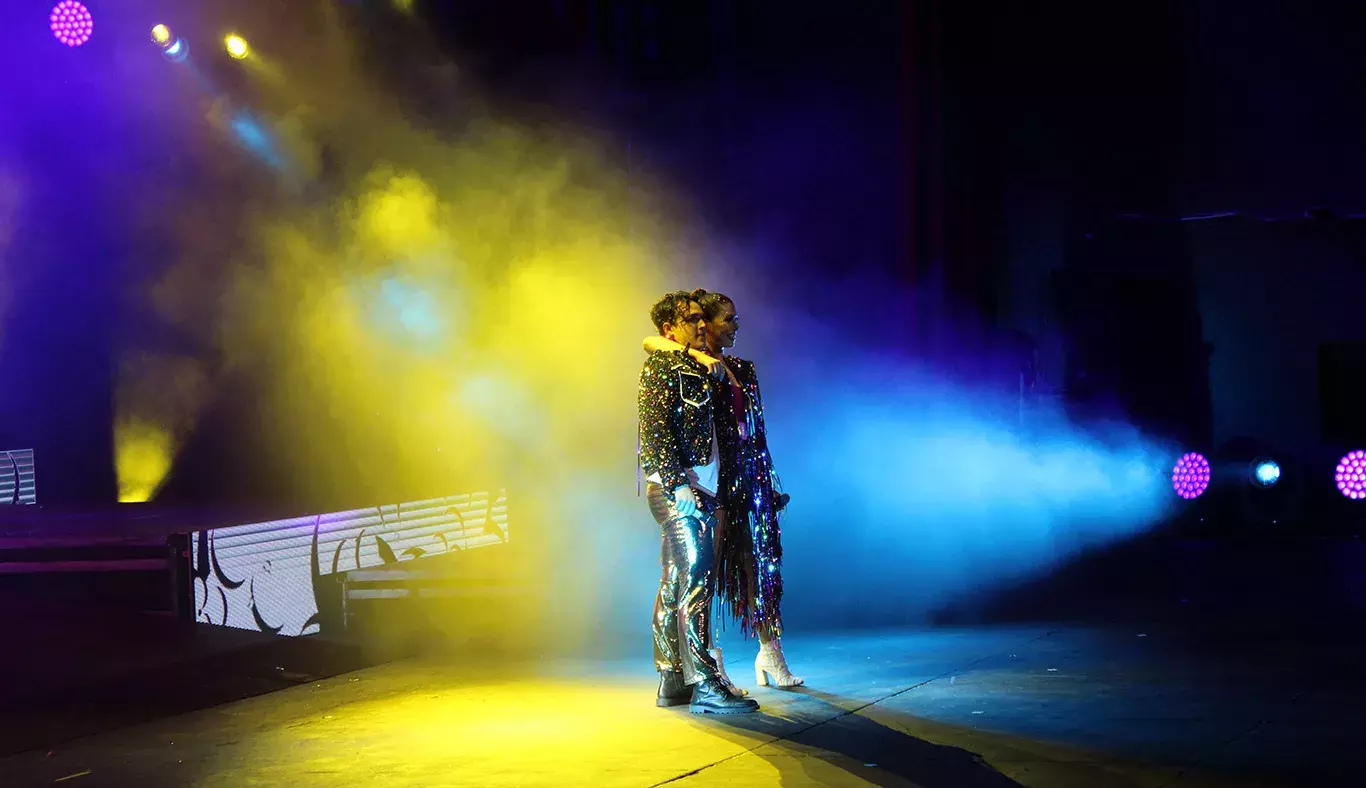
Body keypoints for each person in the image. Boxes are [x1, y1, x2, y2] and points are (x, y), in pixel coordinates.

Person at [643, 289, 804, 690]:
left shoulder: (739, 369)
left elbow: (755, 432)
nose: (733, 326)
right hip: (708, 484)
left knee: (759, 566)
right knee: (701, 574)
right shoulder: (686, 366)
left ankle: (769, 652)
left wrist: (766, 480)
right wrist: (695, 355)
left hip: (745, 479)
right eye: (726, 319)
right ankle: (706, 666)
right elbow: (654, 344)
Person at [638, 291, 760, 715]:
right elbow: (655, 432)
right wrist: (679, 486)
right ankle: (706, 683)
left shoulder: (694, 364)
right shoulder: (663, 366)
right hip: (679, 493)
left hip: (697, 490)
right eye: (691, 320)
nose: (701, 325)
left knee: (676, 582)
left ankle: (672, 680)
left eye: (702, 319)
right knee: (697, 583)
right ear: (670, 328)